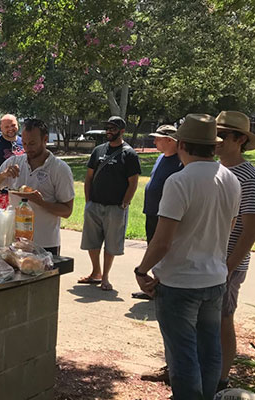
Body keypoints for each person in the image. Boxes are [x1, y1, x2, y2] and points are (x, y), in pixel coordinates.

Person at [135, 113, 240, 400]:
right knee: (209, 352)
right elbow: (227, 230)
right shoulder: (230, 179)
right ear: (212, 146)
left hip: (180, 282)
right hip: (215, 277)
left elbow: (163, 241)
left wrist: (142, 270)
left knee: (183, 357)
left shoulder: (179, 181)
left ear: (181, 144)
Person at [0, 118, 75, 255]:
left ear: (45, 139)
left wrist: (40, 202)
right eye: (24, 143)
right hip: (15, 243)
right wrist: (3, 175)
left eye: (32, 143)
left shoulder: (59, 169)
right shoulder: (14, 162)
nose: (27, 148)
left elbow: (67, 211)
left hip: (45, 244)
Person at [214, 110, 255, 392]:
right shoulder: (214, 169)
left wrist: (227, 266)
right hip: (206, 261)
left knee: (223, 319)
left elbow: (250, 230)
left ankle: (221, 380)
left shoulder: (248, 176)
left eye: (223, 135)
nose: (216, 141)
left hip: (228, 263)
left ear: (240, 139)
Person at [79, 116, 141, 291]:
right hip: (95, 205)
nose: (109, 132)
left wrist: (125, 203)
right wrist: (88, 201)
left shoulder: (129, 154)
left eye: (113, 129)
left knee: (111, 243)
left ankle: (105, 277)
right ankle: (95, 272)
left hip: (115, 207)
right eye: (107, 128)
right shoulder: (98, 151)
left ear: (121, 131)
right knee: (92, 241)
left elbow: (133, 182)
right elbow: (89, 177)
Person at [133, 125, 183, 301]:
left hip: (168, 216)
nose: (154, 142)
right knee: (152, 249)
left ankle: (163, 289)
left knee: (165, 251)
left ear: (170, 140)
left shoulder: (180, 162)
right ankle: (153, 286)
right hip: (152, 213)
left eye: (158, 138)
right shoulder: (161, 157)